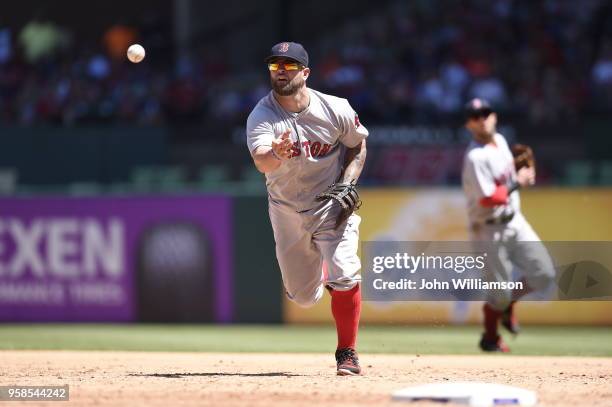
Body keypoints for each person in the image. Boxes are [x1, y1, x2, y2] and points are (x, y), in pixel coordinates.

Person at [246, 42, 368, 375]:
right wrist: (277, 155)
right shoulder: (263, 114)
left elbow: (358, 146)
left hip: (330, 204)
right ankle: (321, 275)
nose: (281, 70)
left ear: (306, 72)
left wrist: (349, 182)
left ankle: (347, 353)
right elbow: (261, 161)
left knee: (345, 272)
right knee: (302, 297)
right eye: (275, 66)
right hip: (286, 209)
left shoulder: (335, 108)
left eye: (289, 64)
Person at [461, 98, 554, 352]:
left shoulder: (501, 142)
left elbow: (507, 175)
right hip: (487, 229)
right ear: (469, 124)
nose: (482, 118)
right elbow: (489, 198)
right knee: (498, 294)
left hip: (515, 220)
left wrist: (519, 169)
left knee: (544, 274)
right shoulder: (475, 157)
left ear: (494, 116)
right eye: (475, 115)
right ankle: (490, 338)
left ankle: (509, 304)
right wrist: (518, 181)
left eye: (486, 113)